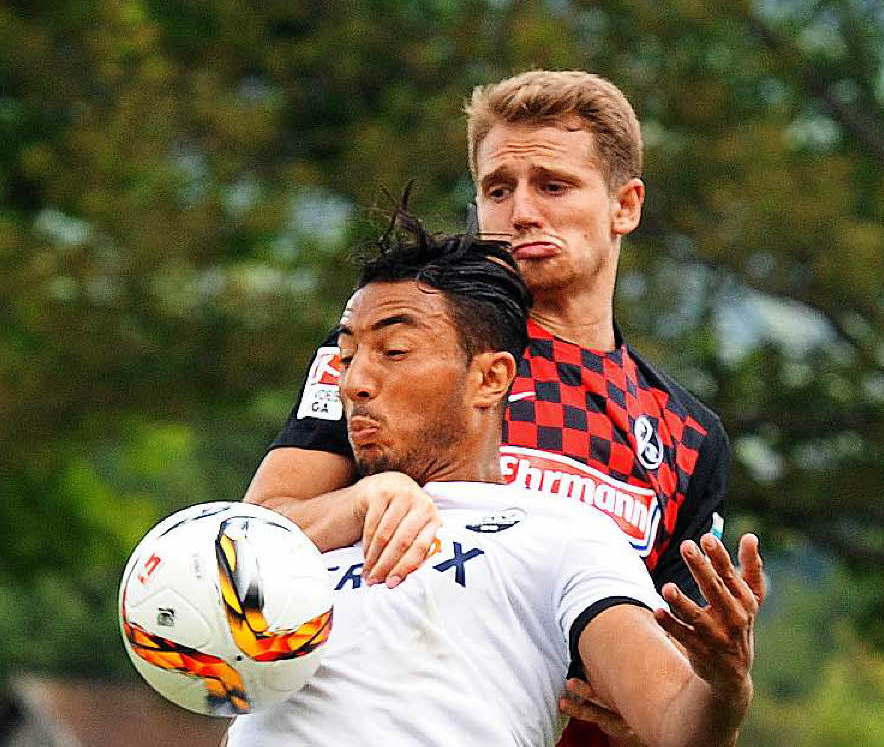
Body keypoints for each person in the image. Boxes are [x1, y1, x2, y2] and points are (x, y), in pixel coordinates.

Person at [245, 71, 758, 744]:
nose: (520, 212)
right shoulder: (403, 350)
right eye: (497, 188)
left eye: (552, 185)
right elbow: (248, 545)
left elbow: (680, 682)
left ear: (624, 205)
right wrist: (368, 499)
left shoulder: (686, 435)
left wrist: (672, 707)